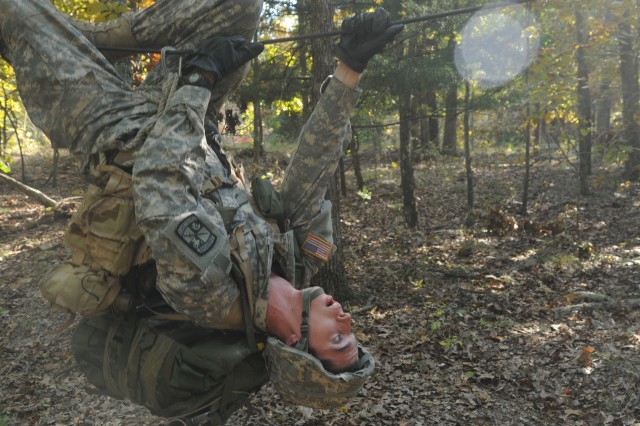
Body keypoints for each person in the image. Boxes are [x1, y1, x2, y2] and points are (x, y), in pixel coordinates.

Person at [2, 0, 403, 408]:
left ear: (294, 340)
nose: (347, 319)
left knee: (13, 12)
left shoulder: (213, 297)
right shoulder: (295, 259)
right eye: (352, 332)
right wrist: (350, 69)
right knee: (243, 7)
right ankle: (96, 38)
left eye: (338, 338)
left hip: (118, 130)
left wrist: (199, 78)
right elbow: (315, 168)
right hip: (184, 113)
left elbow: (159, 179)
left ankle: (60, 39)